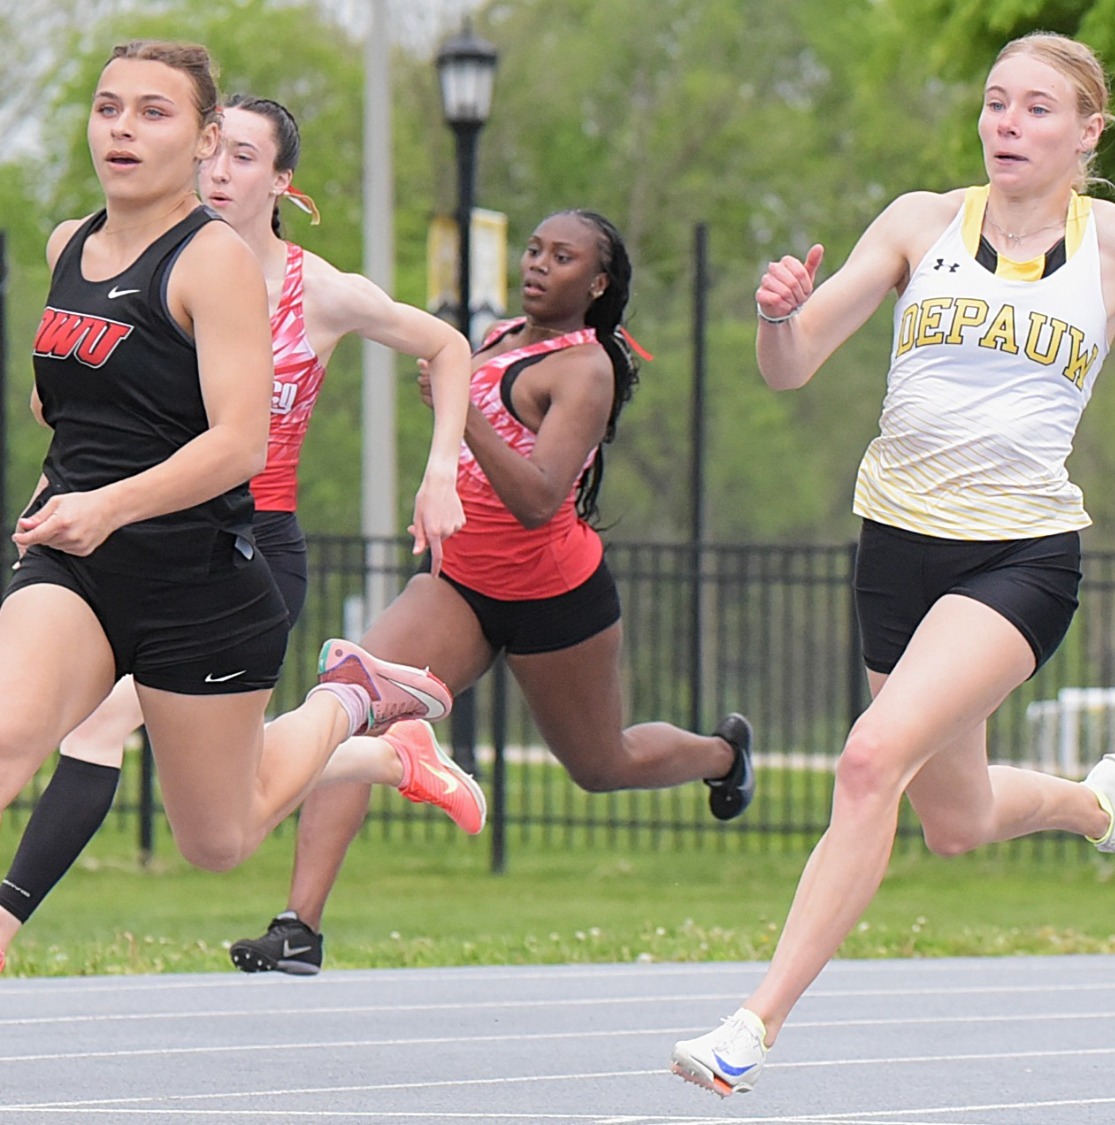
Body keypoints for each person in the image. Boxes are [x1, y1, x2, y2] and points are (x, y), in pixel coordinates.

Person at [669, 32, 1115, 1097]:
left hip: (1018, 560)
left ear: (1088, 130)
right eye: (995, 103)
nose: (1007, 123)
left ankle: (752, 1023)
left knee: (869, 762)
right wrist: (776, 317)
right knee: (952, 823)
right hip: (895, 547)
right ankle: (1100, 808)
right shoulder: (920, 221)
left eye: (1037, 109)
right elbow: (794, 365)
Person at [0, 40, 474, 974]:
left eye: (154, 111)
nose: (124, 129)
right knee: (12, 732)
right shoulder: (69, 244)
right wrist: (69, 473)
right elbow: (67, 398)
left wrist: (440, 470)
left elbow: (240, 445)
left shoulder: (223, 266)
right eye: (109, 108)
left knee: (217, 839)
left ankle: (351, 703)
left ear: (208, 141)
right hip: (79, 564)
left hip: (204, 575)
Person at [227, 209, 756, 976]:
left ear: (597, 282)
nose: (538, 265)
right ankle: (298, 926)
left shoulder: (586, 368)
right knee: (348, 704)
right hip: (462, 585)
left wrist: (464, 412)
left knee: (599, 765)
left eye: (563, 257)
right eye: (535, 250)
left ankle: (719, 752)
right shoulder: (500, 335)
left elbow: (541, 497)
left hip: (555, 598)